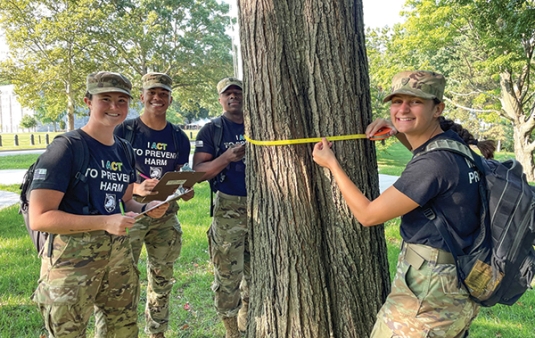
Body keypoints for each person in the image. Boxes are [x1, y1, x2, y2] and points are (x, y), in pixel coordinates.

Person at [312, 70, 495, 337]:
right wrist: (395, 128)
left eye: (415, 102)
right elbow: (428, 156)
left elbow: (368, 215)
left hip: (427, 294)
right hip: (452, 288)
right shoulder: (455, 147)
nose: (403, 109)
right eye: (397, 102)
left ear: (437, 108)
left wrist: (332, 165)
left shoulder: (433, 165)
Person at [29, 71, 169, 337]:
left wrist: (147, 209)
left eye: (121, 100)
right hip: (71, 263)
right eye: (105, 99)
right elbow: (40, 217)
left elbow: (126, 200)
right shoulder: (67, 148)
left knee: (123, 330)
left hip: (117, 258)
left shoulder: (124, 149)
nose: (114, 107)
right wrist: (105, 221)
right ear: (88, 102)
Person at [113, 72, 194, 338]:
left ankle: (156, 332)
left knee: (162, 280)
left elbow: (180, 175)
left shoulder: (178, 137)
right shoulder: (124, 131)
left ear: (170, 99)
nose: (157, 98)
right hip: (130, 216)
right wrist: (135, 188)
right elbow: (110, 174)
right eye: (152, 93)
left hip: (165, 218)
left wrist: (184, 190)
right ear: (142, 97)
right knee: (123, 281)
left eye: (163, 94)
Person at [193, 77, 248, 338]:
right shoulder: (212, 130)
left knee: (258, 272)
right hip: (229, 208)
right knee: (228, 277)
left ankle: (248, 323)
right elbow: (199, 172)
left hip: (266, 207)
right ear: (220, 99)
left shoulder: (260, 124)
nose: (233, 96)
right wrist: (226, 158)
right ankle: (231, 332)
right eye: (228, 93)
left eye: (238, 92)